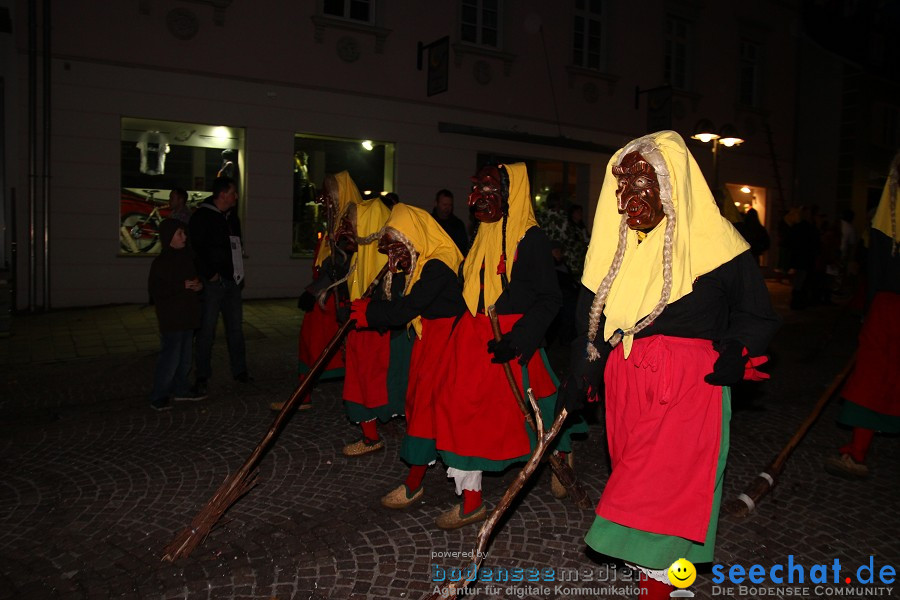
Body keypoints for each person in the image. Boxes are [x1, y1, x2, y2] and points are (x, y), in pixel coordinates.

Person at [560, 131, 780, 600]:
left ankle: (655, 592)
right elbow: (589, 321)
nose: (627, 197)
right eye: (621, 185)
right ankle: (672, 583)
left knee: (653, 494)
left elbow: (755, 313)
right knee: (645, 482)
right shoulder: (616, 248)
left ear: (670, 184)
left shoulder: (716, 242)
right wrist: (583, 366)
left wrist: (737, 350)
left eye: (641, 182)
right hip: (627, 383)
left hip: (686, 386)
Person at [432, 162, 588, 530]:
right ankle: (472, 502)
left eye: (490, 191)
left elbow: (550, 299)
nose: (481, 199)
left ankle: (561, 454)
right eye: (479, 192)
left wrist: (518, 341)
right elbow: (474, 284)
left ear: (509, 193)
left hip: (514, 338)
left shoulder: (530, 238)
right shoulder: (482, 232)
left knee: (540, 408)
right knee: (461, 410)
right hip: (476, 338)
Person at [348, 203, 466, 508]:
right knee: (422, 406)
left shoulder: (438, 265)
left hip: (448, 344)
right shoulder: (424, 261)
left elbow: (407, 309)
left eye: (398, 248)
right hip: (431, 342)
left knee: (428, 409)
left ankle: (414, 484)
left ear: (413, 238)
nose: (394, 258)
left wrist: (370, 313)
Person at [316, 172, 411, 457]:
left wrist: (368, 311)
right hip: (361, 335)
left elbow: (397, 302)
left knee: (397, 388)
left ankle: (416, 436)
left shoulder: (391, 260)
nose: (350, 229)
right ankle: (371, 437)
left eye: (355, 223)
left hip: (386, 339)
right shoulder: (358, 256)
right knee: (358, 387)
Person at [824, 153, 900, 479]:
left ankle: (857, 452)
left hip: (890, 304)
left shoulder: (888, 216)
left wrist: (870, 312)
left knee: (875, 377)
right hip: (888, 302)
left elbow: (879, 266)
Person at [189, 176, 250, 395]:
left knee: (235, 328)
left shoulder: (233, 218)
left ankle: (240, 370)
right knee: (207, 330)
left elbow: (236, 245)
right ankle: (202, 375)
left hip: (232, 281)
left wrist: (239, 271)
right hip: (212, 283)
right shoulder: (201, 217)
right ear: (223, 194)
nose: (236, 197)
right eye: (234, 192)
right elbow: (195, 250)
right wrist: (210, 274)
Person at [147, 219, 205, 411]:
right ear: (168, 237)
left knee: (185, 358)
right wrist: (181, 286)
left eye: (184, 233)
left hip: (187, 317)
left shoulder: (187, 257)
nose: (184, 237)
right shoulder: (161, 262)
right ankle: (159, 395)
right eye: (180, 234)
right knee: (170, 358)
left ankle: (181, 389)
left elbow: (195, 280)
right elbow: (157, 290)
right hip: (172, 319)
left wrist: (198, 286)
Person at [431, 189, 469, 255]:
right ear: (436, 203)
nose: (447, 208)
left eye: (450, 205)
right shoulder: (429, 222)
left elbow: (464, 248)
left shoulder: (458, 224)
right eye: (444, 205)